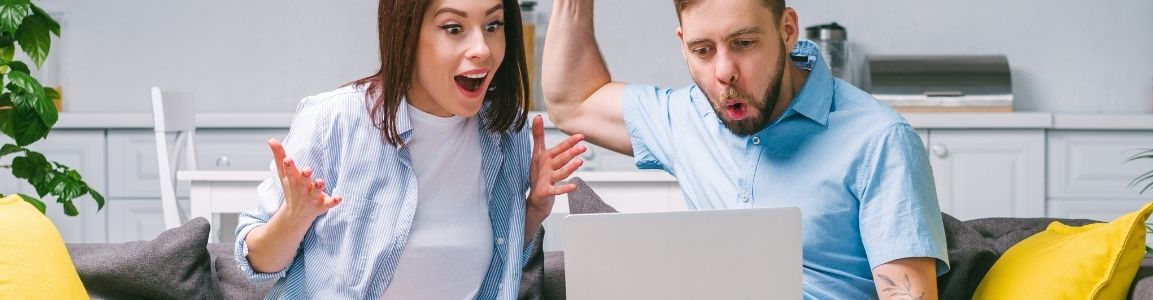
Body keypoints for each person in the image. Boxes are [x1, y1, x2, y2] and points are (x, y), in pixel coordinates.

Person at [542, 0, 949, 298]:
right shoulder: (686, 118)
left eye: (744, 43)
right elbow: (573, 101)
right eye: (703, 50)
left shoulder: (879, 139)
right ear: (683, 44)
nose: (724, 72)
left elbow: (908, 295)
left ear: (787, 30)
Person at [233, 0, 586, 298]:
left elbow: (487, 260)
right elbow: (254, 265)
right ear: (407, 35)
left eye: (494, 25)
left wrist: (533, 210)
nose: (482, 48)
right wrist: (292, 221)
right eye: (453, 28)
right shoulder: (334, 119)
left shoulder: (506, 132)